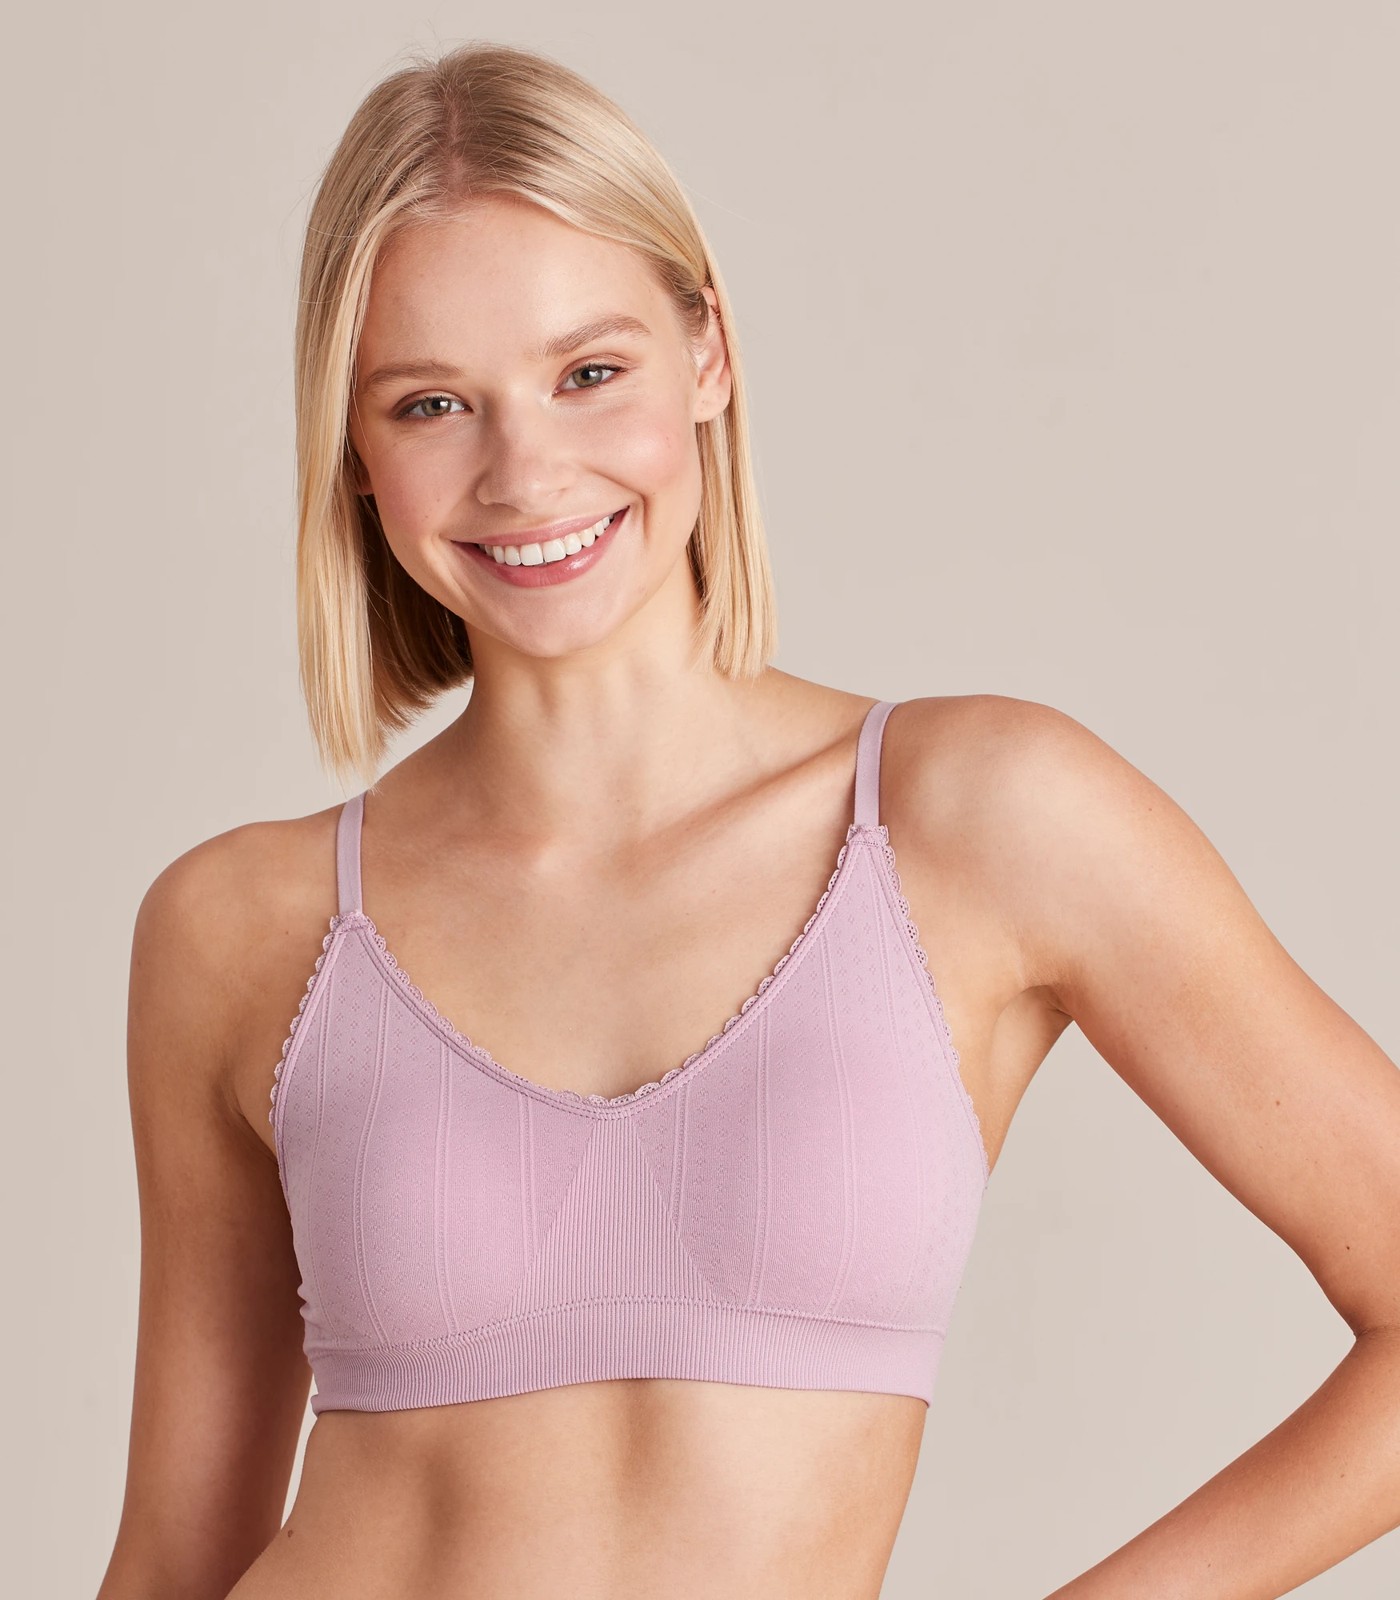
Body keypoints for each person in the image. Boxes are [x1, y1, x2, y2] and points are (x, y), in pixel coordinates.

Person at [98, 39, 1400, 1600]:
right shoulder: (243, 928)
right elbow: (175, 1557)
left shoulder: (976, 819)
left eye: (590, 373)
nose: (526, 471)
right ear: (357, 455)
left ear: (707, 353)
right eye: (432, 403)